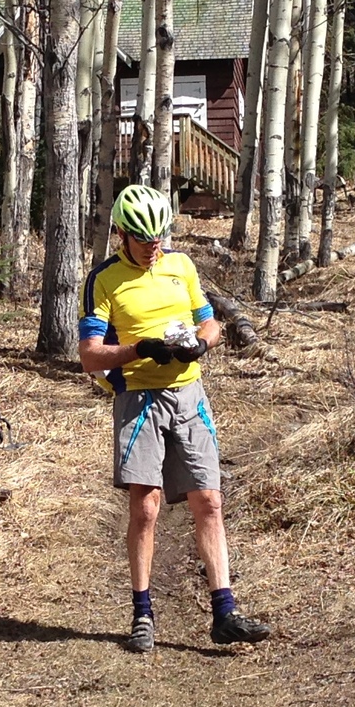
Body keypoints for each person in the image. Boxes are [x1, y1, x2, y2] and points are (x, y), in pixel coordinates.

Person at [77, 184, 272, 653]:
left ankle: (224, 612)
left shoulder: (180, 266)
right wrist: (138, 349)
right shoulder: (103, 279)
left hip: (189, 395)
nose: (153, 247)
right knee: (146, 508)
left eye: (159, 237)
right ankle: (142, 612)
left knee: (209, 500)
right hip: (138, 401)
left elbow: (210, 322)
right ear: (122, 234)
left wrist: (201, 344)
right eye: (143, 239)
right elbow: (88, 355)